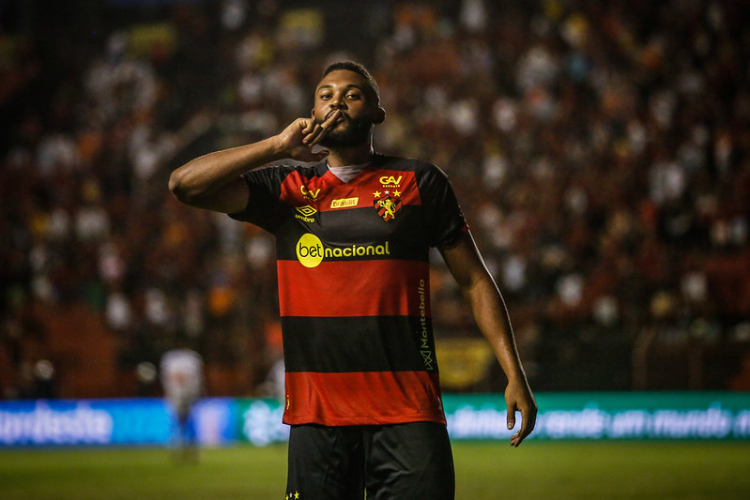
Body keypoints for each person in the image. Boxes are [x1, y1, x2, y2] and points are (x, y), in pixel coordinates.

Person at [169, 60, 536, 499]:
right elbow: (183, 185)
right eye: (325, 94)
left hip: (407, 413)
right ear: (312, 111)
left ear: (377, 113)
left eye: (352, 94)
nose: (337, 101)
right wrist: (275, 147)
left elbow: (474, 281)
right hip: (317, 417)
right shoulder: (286, 187)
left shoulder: (419, 181)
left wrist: (514, 374)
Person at [160, 343, 204, 463]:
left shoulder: (171, 359)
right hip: (180, 396)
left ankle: (187, 452)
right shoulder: (191, 359)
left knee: (185, 424)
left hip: (185, 396)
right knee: (180, 424)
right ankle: (182, 451)